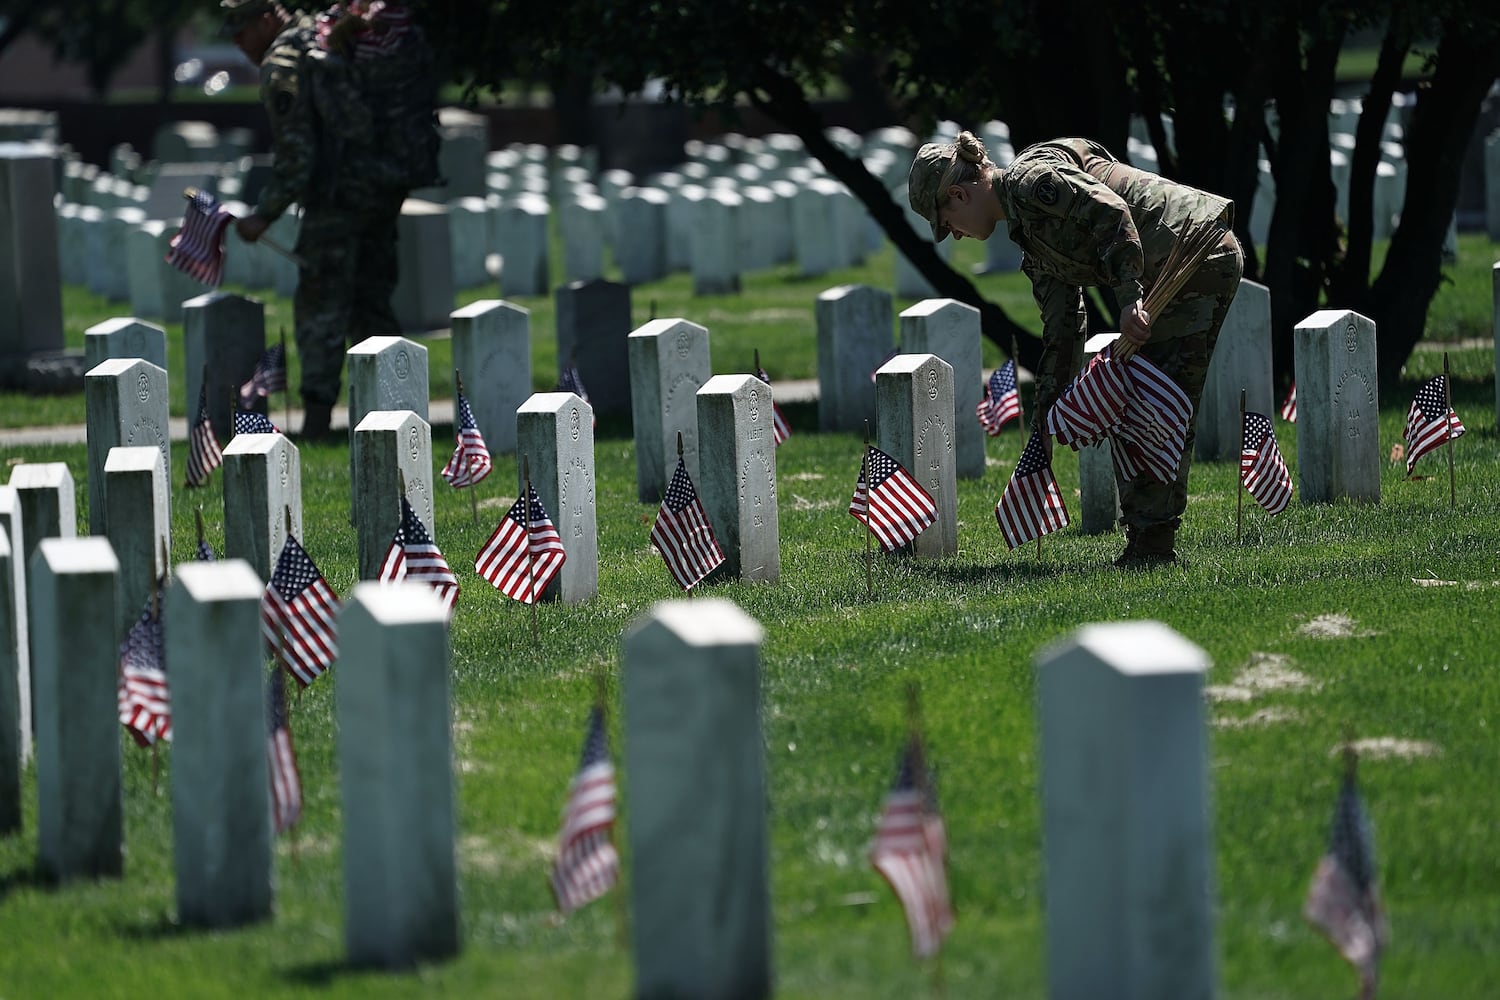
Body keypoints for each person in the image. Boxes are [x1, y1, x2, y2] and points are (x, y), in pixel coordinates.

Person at [908, 131, 1244, 566]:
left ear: (958, 194)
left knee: (1152, 402)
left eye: (946, 221)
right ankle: (1149, 540)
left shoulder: (1032, 183)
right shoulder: (1031, 238)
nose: (953, 234)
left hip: (1192, 255)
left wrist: (1129, 300)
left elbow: (1111, 212)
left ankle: (1152, 547)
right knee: (1136, 397)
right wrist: (1044, 425)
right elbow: (1064, 330)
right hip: (1170, 264)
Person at [221, 0, 413, 440]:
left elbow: (298, 155)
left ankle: (317, 422)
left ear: (268, 19)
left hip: (335, 203)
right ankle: (401, 410)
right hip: (381, 191)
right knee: (373, 305)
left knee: (321, 309)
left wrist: (263, 216)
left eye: (241, 30)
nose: (237, 42)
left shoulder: (285, 62)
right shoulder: (333, 36)